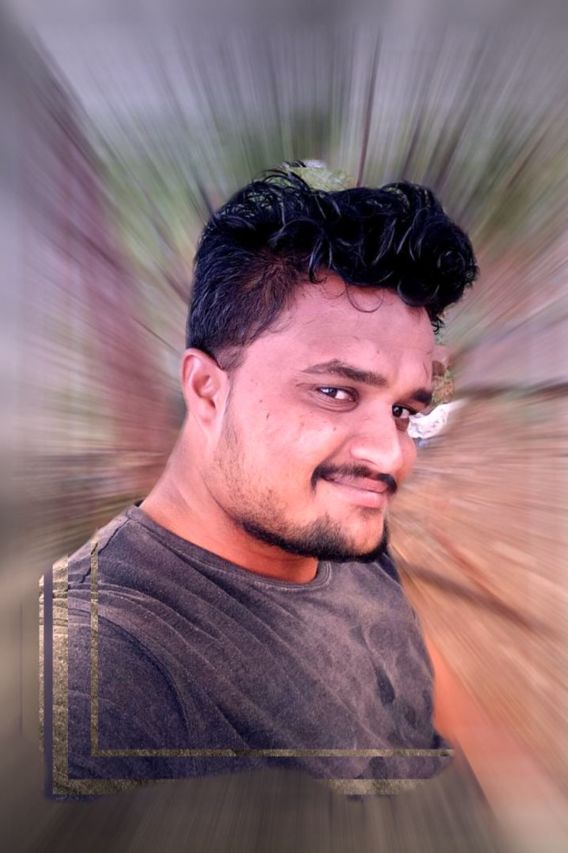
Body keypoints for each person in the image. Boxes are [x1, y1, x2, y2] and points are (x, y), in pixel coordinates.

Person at [41, 166, 478, 798]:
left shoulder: (339, 533)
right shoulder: (100, 673)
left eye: (402, 411)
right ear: (206, 390)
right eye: (335, 392)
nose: (390, 455)